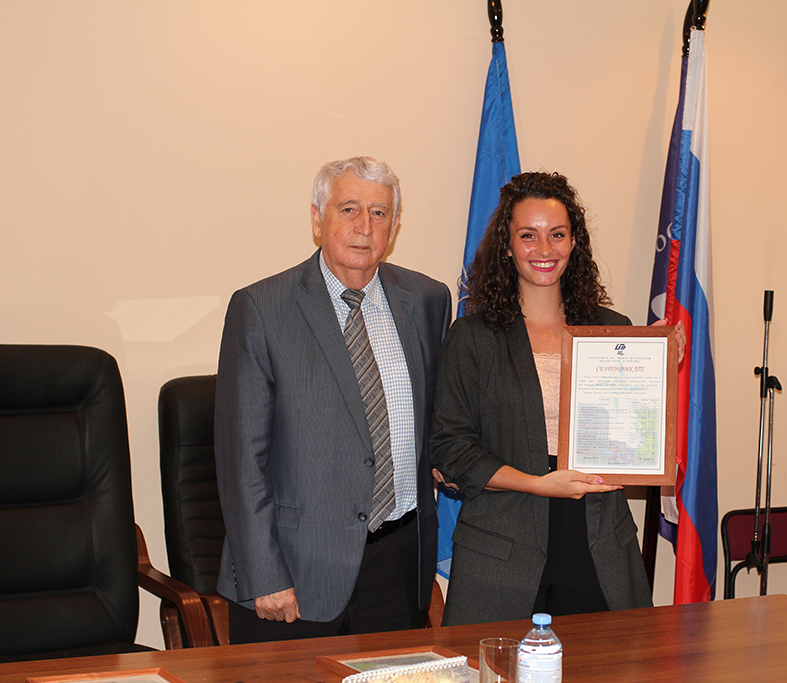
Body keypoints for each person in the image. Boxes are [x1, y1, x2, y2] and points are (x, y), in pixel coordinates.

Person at [215, 156, 451, 643]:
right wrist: (264, 574)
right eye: (349, 209)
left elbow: (437, 423)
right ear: (317, 219)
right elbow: (241, 460)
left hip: (398, 565)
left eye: (379, 213)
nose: (365, 226)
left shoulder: (428, 300)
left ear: (395, 225)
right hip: (295, 572)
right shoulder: (261, 308)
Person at [429, 171, 658, 626]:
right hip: (501, 551)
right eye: (528, 235)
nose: (544, 249)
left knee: (609, 662)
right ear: (508, 245)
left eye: (557, 234)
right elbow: (451, 448)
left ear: (574, 242)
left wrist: (658, 365)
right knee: (495, 664)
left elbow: (635, 431)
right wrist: (539, 484)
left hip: (600, 544)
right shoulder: (473, 337)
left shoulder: (612, 329)